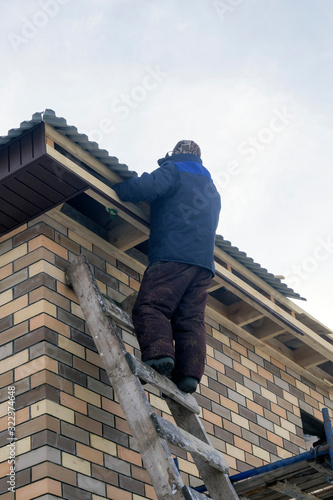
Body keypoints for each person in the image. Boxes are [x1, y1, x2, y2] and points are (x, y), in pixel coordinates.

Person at [113, 140, 221, 393]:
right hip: (203, 265)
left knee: (152, 306)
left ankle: (159, 355)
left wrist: (119, 187)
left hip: (174, 254)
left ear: (177, 152)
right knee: (191, 320)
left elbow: (144, 187)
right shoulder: (212, 188)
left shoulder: (175, 170)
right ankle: (189, 376)